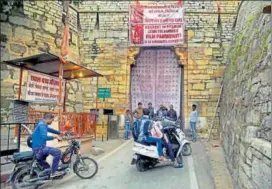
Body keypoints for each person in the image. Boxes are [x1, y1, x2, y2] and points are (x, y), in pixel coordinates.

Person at [32, 113, 64, 177]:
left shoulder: (43, 124)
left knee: (47, 166)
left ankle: (48, 171)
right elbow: (44, 137)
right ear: (48, 119)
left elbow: (49, 129)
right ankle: (54, 172)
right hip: (40, 148)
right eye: (52, 120)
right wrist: (55, 137)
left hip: (38, 148)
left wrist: (59, 132)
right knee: (57, 152)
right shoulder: (42, 125)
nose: (52, 121)